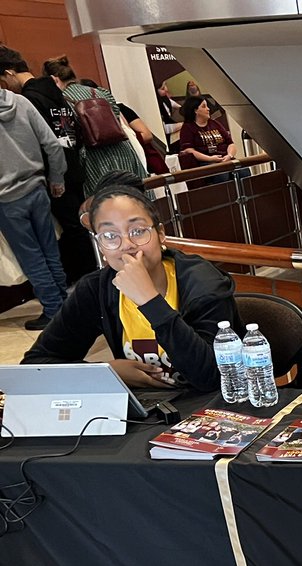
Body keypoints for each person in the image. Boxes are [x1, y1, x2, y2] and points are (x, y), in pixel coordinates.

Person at [23, 183, 241, 391]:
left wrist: (149, 300)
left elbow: (213, 377)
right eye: (110, 236)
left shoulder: (203, 282)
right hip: (150, 411)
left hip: (211, 404)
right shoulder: (96, 288)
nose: (126, 245)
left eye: (137, 231)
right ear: (100, 246)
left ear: (160, 233)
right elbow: (36, 365)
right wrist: (107, 371)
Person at [0, 45, 96, 288]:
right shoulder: (54, 91)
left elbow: (47, 144)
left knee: (38, 252)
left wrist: (55, 178)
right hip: (68, 169)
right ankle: (82, 287)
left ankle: (63, 298)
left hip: (41, 181)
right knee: (66, 236)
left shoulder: (28, 99)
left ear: (9, 73)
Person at [0, 83, 69, 331]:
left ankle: (53, 310)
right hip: (38, 188)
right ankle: (64, 306)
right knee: (50, 251)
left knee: (32, 258)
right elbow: (52, 143)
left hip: (7, 199)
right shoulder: (21, 102)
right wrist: (57, 178)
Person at [44, 57, 147, 196]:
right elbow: (116, 117)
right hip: (122, 151)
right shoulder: (101, 92)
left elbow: (68, 137)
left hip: (93, 158)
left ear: (53, 79)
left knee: (105, 201)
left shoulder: (61, 101)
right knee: (135, 196)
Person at [178, 95, 240, 184]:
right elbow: (189, 150)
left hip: (225, 158)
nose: (208, 109)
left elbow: (230, 143)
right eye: (204, 106)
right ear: (195, 111)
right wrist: (210, 159)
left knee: (243, 170)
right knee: (221, 174)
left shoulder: (215, 124)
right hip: (205, 162)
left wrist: (229, 155)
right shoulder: (188, 128)